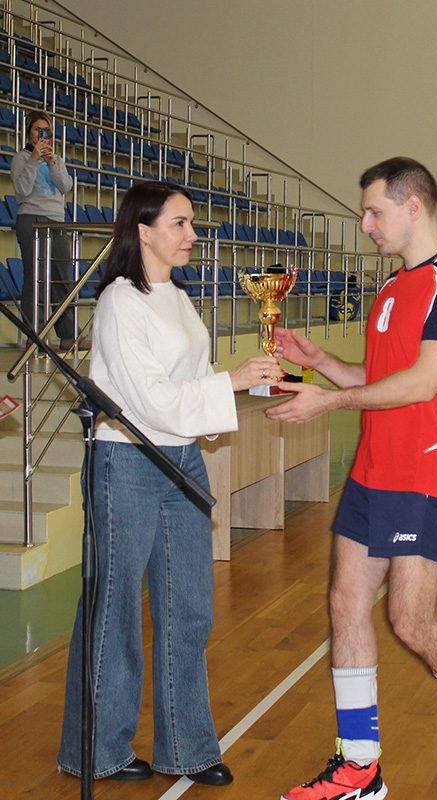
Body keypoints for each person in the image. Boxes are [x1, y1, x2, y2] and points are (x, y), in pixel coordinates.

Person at [268, 157, 437, 800]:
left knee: (409, 621)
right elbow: (378, 379)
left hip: (424, 472)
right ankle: (360, 766)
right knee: (345, 604)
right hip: (371, 471)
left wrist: (327, 402)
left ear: (413, 207)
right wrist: (321, 362)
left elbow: (423, 383)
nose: (365, 223)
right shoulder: (392, 288)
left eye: (374, 211)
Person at [57, 181, 283, 783]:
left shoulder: (177, 296)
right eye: (180, 224)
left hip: (181, 461)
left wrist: (239, 384)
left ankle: (187, 748)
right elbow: (147, 400)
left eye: (191, 223)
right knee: (114, 612)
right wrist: (229, 384)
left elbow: (189, 379)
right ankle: (96, 751)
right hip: (127, 463)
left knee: (188, 608)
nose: (192, 235)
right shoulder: (118, 302)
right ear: (144, 231)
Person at [10, 110, 87, 350]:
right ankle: (36, 335)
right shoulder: (21, 158)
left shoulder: (56, 158)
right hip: (31, 219)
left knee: (61, 278)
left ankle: (68, 334)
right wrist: (34, 159)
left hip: (56, 220)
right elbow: (22, 190)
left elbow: (66, 186)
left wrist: (52, 163)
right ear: (29, 132)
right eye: (38, 129)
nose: (42, 134)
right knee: (36, 278)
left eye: (46, 131)